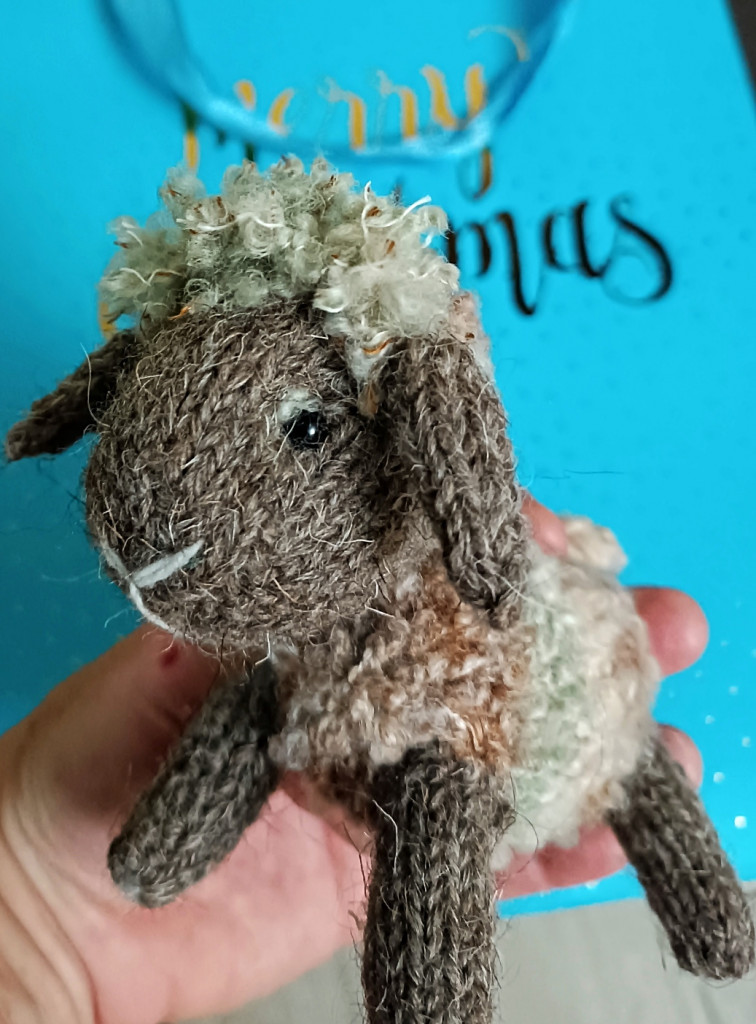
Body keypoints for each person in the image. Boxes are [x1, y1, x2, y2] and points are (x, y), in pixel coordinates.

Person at [0, 499, 707, 1024]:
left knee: (451, 793)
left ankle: (691, 881)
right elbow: (255, 709)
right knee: (306, 721)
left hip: (501, 714)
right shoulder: (298, 630)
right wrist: (36, 902)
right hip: (393, 732)